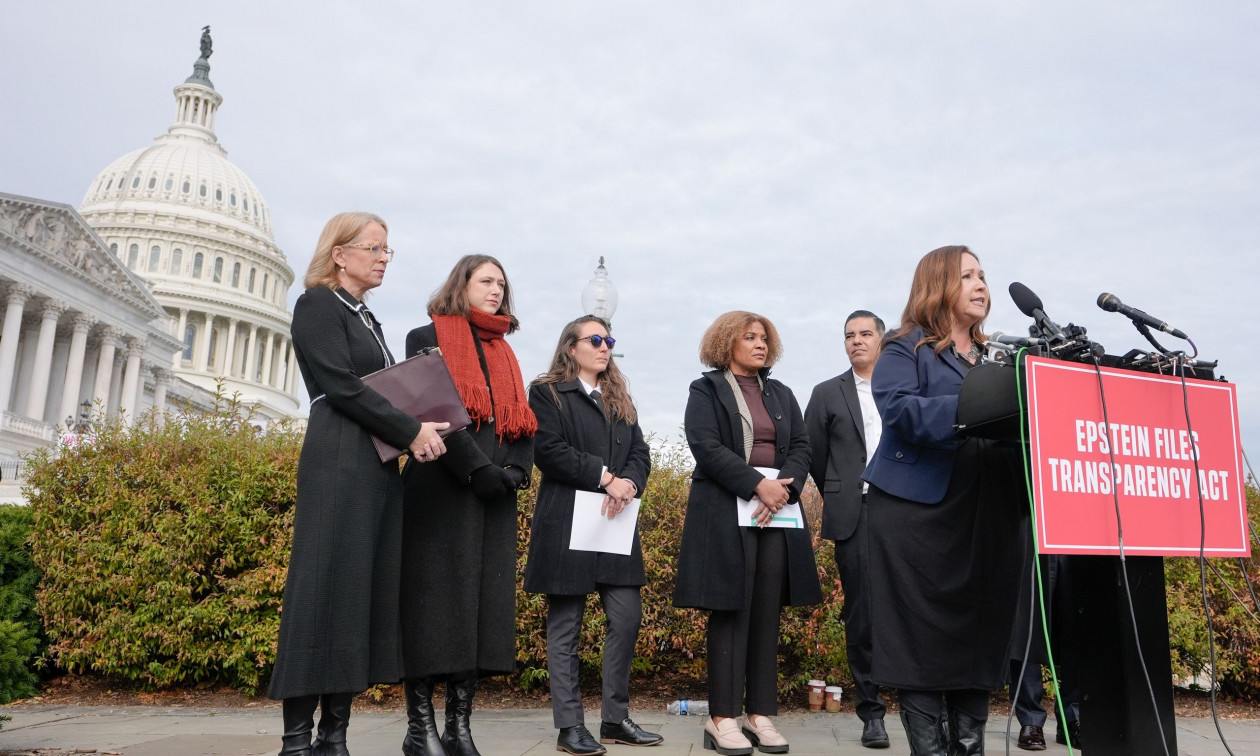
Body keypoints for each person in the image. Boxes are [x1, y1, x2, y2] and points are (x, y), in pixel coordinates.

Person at [269, 212, 449, 756]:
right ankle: (297, 742)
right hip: (339, 457)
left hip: (375, 464)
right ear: (339, 253)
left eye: (387, 250)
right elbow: (342, 387)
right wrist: (408, 428)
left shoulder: (366, 315)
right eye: (373, 248)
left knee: (356, 595)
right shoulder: (318, 304)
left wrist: (426, 420)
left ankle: (334, 737)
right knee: (320, 591)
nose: (383, 258)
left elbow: (388, 389)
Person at [862, 245, 1026, 756]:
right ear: (938, 284)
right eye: (967, 276)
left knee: (982, 636)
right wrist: (985, 403)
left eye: (983, 276)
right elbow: (901, 412)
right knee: (920, 642)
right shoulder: (902, 348)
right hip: (918, 520)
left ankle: (969, 747)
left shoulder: (1002, 356)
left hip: (991, 516)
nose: (981, 285)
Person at [398, 254, 536, 756]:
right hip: (440, 489)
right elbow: (431, 409)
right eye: (486, 281)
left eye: (502, 282)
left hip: (494, 497)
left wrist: (515, 473)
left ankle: (459, 726)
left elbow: (522, 421)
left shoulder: (506, 352)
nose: (497, 289)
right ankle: (421, 729)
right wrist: (477, 469)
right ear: (462, 284)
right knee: (432, 608)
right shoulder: (426, 336)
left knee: (479, 611)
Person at [673, 311, 822, 756]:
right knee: (731, 609)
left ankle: (759, 714)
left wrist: (782, 488)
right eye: (750, 337)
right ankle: (722, 718)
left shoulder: (782, 392)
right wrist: (757, 484)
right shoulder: (706, 389)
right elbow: (705, 445)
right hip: (725, 509)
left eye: (764, 339)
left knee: (765, 611)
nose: (760, 345)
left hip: (776, 512)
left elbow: (802, 446)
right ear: (726, 343)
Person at [524, 315, 662, 755]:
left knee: (626, 618)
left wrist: (630, 484)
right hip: (567, 522)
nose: (605, 347)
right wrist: (606, 478)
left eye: (609, 340)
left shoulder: (619, 398)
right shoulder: (546, 392)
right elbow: (548, 450)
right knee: (565, 626)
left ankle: (615, 719)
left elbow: (639, 452)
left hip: (614, 523)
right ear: (571, 346)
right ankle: (569, 727)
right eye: (595, 339)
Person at [803, 309, 889, 750]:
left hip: (905, 515)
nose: (857, 341)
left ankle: (921, 708)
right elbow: (812, 456)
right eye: (849, 335)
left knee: (910, 610)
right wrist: (840, 492)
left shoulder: (903, 386)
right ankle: (871, 713)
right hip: (854, 515)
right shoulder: (825, 394)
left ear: (882, 338)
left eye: (866, 333)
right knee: (863, 615)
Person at [1009, 554, 1082, 751]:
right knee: (1028, 624)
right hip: (1033, 537)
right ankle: (1030, 720)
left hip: (1073, 535)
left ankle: (1073, 717)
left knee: (1078, 625)